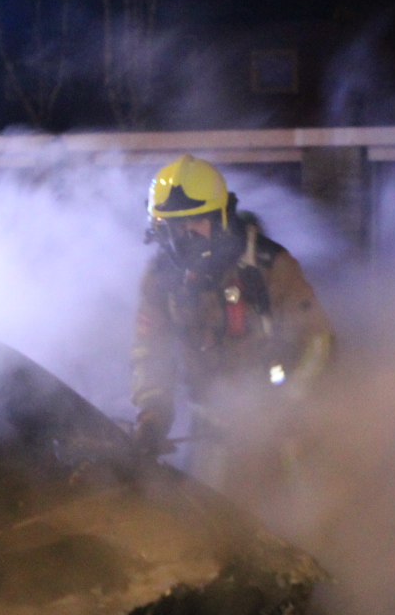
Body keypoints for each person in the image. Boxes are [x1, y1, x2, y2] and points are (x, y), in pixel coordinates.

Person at [130, 155, 333, 495]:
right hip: (210, 425)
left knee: (297, 514)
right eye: (174, 228)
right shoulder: (161, 278)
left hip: (279, 429)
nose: (185, 237)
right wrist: (153, 414)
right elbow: (149, 352)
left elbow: (319, 343)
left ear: (221, 217)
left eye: (195, 223)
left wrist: (289, 403)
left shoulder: (270, 266)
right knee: (210, 520)